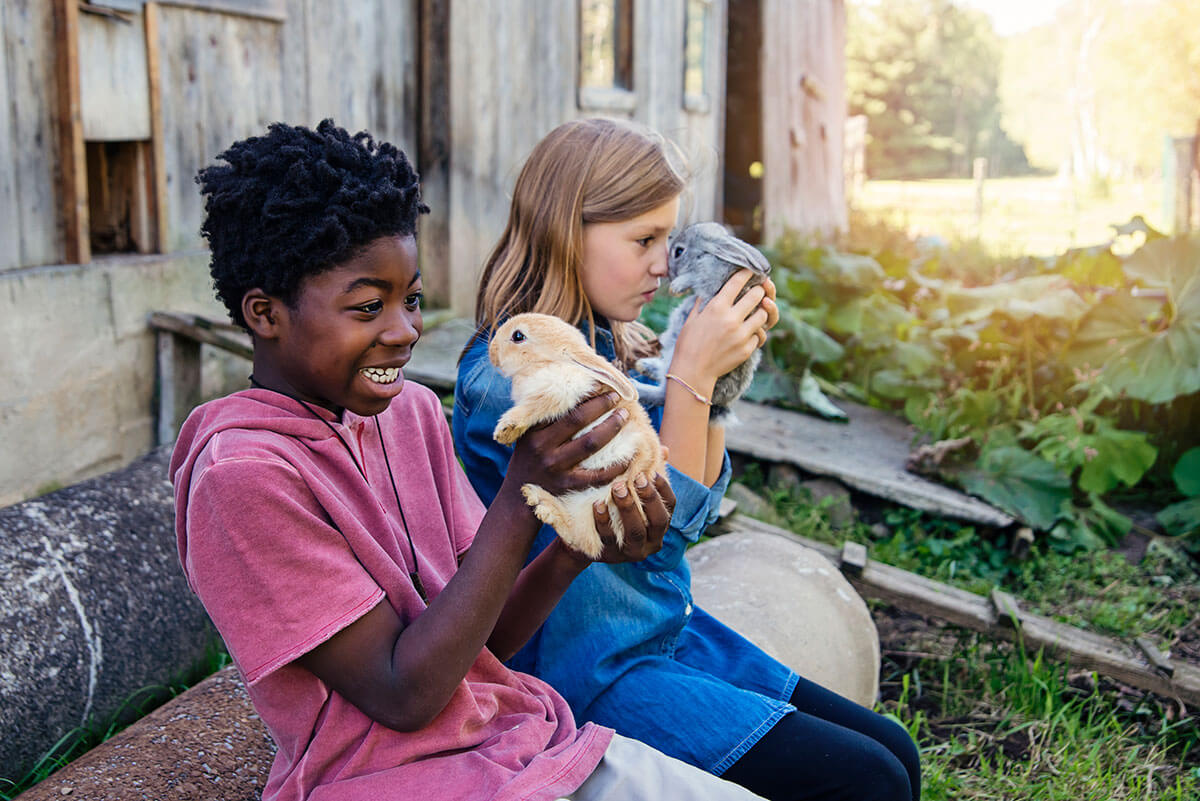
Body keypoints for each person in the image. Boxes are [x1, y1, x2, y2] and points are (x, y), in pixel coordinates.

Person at [171, 119, 772, 801]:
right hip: (400, 781)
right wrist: (521, 497)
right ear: (264, 313)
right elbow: (404, 694)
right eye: (368, 306)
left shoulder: (411, 414)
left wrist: (578, 548)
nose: (404, 332)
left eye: (413, 299)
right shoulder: (243, 477)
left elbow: (492, 643)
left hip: (519, 743)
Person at [453, 117, 921, 801]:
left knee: (894, 749)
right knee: (866, 779)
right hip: (586, 669)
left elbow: (694, 508)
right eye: (642, 239)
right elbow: (655, 528)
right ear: (564, 230)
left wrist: (720, 383)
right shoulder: (517, 378)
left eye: (667, 239)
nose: (662, 263)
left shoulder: (597, 345)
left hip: (660, 631)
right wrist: (691, 377)